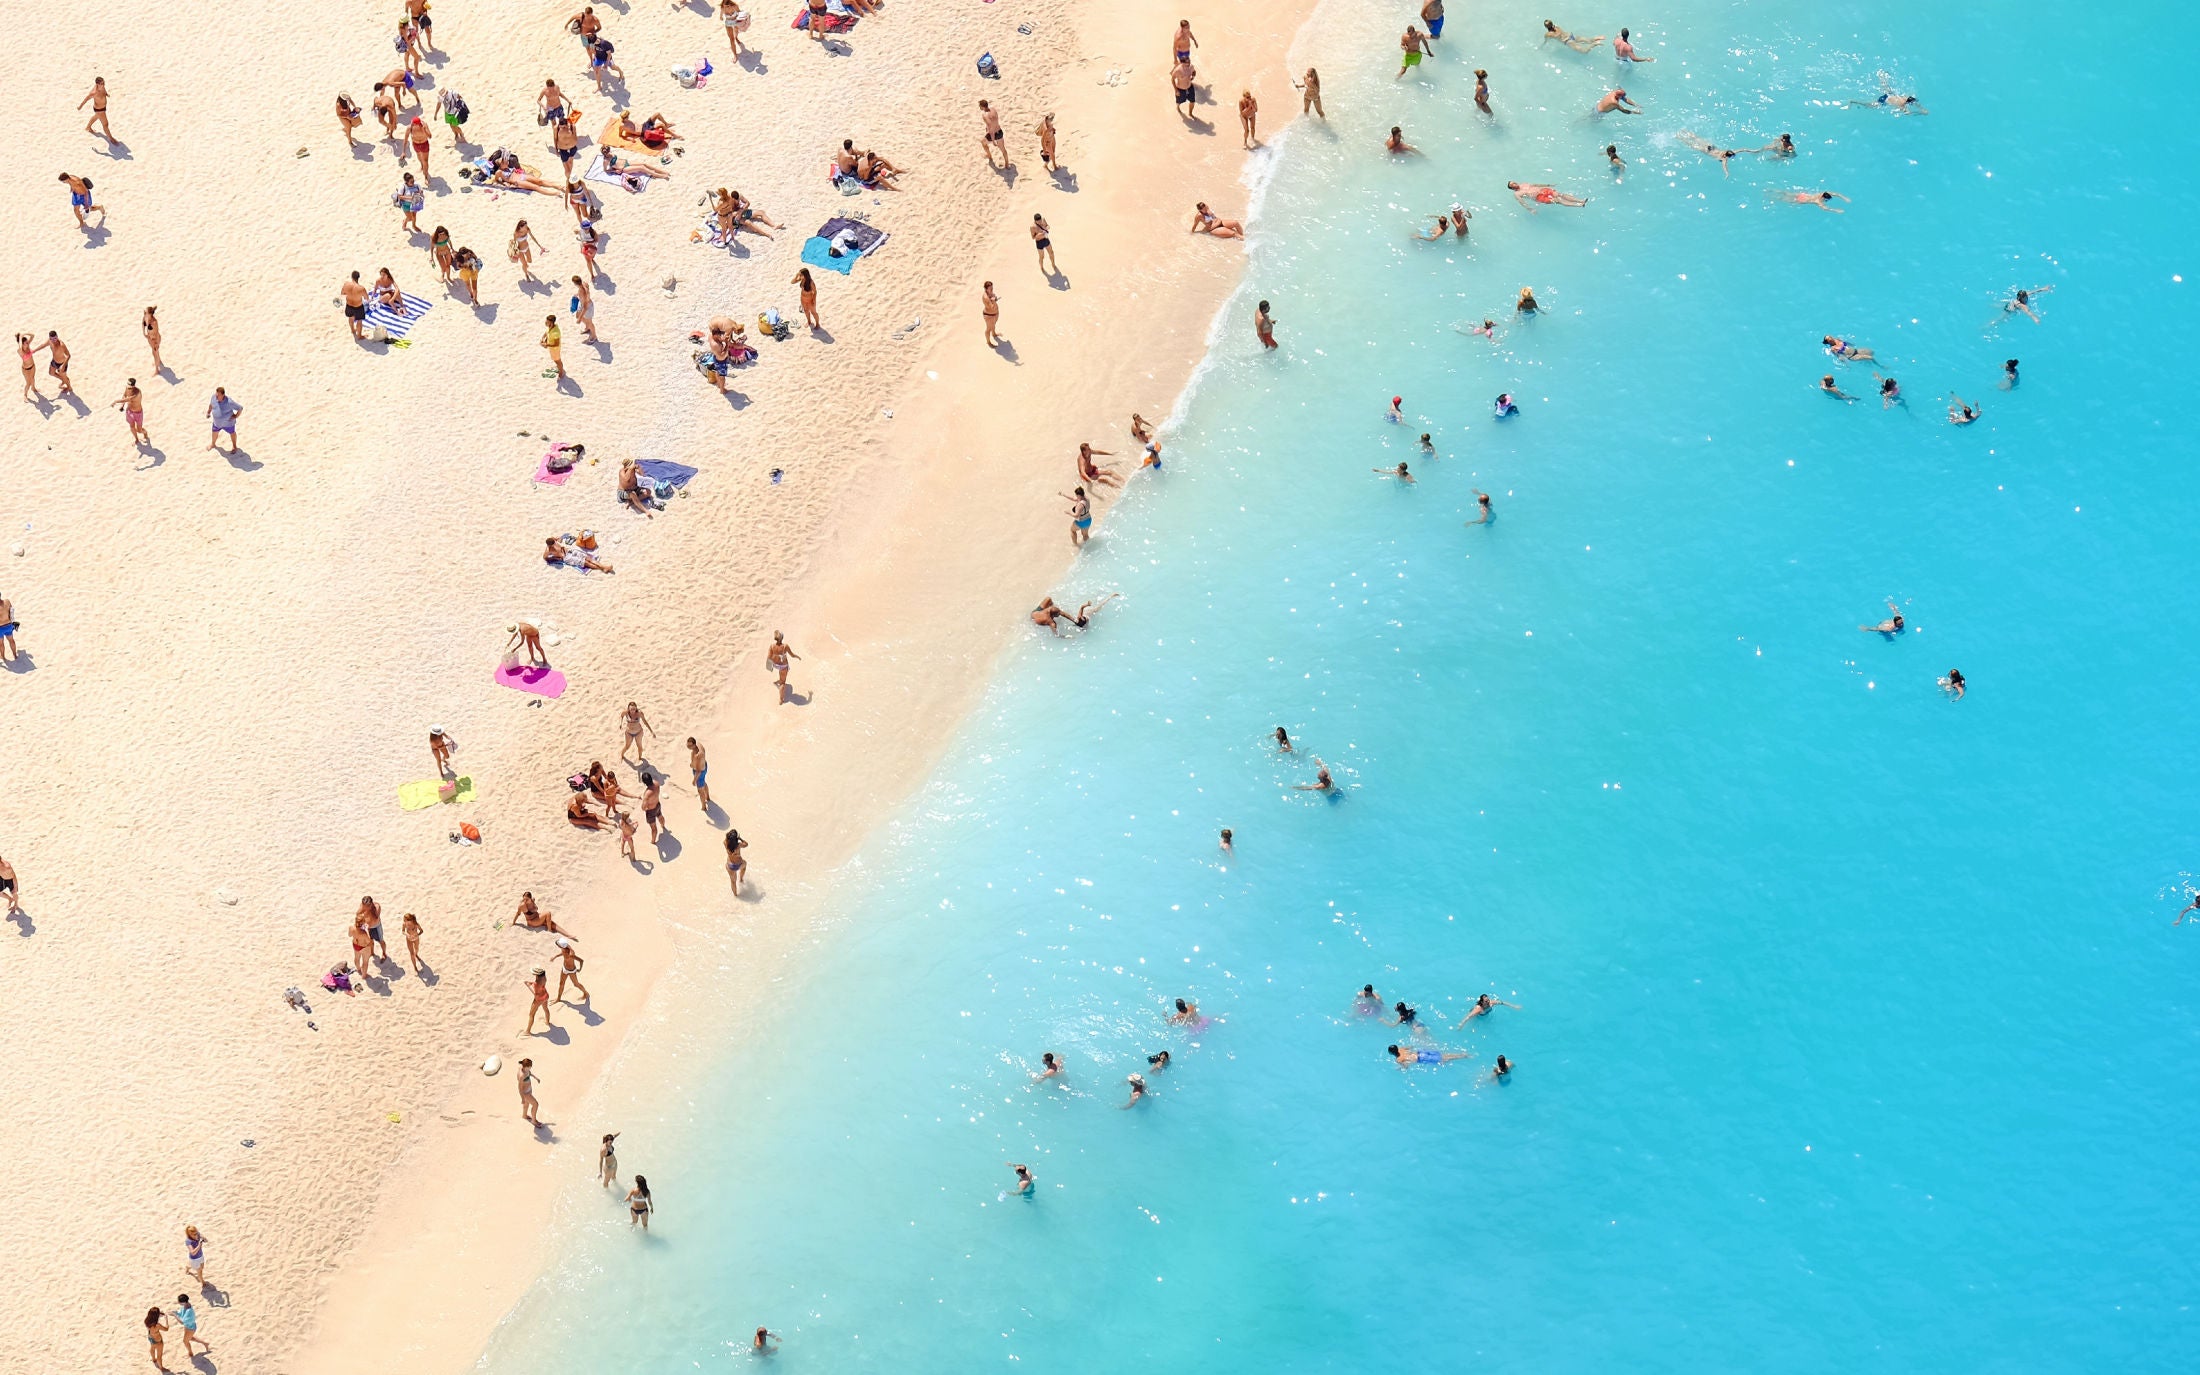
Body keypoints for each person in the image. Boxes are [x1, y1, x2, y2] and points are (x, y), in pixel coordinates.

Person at [1853, 80, 1926, 115]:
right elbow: (1908, 113)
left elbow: (1914, 102)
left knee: (1887, 89)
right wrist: (1920, 112)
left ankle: (1882, 77)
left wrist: (1922, 109)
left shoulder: (1905, 97)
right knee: (1868, 105)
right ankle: (1854, 101)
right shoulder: (1902, 105)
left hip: (1888, 95)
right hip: (1883, 101)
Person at [114, 379, 150, 447]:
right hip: (130, 411)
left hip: (138, 413)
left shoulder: (137, 393)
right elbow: (125, 395)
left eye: (129, 387)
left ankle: (145, 433)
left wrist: (116, 401)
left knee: (139, 430)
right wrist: (122, 405)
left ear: (133, 386)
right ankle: (136, 439)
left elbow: (127, 399)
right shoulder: (127, 388)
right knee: (132, 427)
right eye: (127, 385)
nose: (128, 388)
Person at [205, 387, 242, 454]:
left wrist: (236, 416)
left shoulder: (229, 402)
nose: (216, 397)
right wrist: (208, 412)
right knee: (214, 432)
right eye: (216, 394)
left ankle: (234, 446)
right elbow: (211, 405)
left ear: (223, 395)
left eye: (218, 395)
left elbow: (240, 408)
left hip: (228, 423)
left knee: (232, 433)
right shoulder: (214, 397)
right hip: (217, 423)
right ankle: (213, 444)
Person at [80, 76, 116, 141]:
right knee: (105, 124)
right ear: (97, 84)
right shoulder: (93, 93)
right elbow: (86, 99)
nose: (104, 85)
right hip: (100, 110)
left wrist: (106, 94)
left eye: (104, 83)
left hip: (102, 108)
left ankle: (88, 127)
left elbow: (104, 91)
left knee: (96, 116)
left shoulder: (102, 87)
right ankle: (111, 138)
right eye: (102, 83)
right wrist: (80, 107)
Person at [766, 632, 800, 702]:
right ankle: (781, 699)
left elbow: (769, 658)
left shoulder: (772, 646)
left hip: (776, 665)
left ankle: (777, 682)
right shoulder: (785, 646)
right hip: (783, 666)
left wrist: (771, 666)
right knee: (783, 683)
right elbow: (792, 655)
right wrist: (798, 657)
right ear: (782, 638)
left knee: (781, 675)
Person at [171, 1295, 207, 1359]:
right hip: (188, 1326)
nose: (178, 1302)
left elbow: (182, 1322)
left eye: (179, 1302)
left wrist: (174, 1315)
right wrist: (176, 1312)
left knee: (185, 1341)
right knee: (190, 1338)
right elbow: (181, 1313)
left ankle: (190, 1353)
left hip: (190, 1328)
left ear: (183, 1302)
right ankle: (205, 1343)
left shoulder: (189, 1312)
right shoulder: (186, 1305)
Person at [555, 938, 590, 1002]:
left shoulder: (571, 954)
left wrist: (579, 969)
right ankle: (558, 998)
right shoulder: (564, 947)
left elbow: (581, 961)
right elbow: (563, 953)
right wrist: (556, 956)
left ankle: (586, 993)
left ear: (561, 946)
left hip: (571, 971)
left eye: (558, 945)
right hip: (564, 968)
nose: (557, 946)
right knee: (561, 983)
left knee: (576, 984)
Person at [1508, 181, 1586, 209]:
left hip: (1543, 190)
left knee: (1560, 194)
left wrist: (1548, 185)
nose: (1515, 183)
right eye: (1512, 184)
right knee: (1558, 200)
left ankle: (1581, 200)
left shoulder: (1524, 184)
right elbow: (1522, 202)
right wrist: (1530, 209)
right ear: (1512, 188)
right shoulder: (1517, 193)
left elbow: (1536, 184)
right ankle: (1579, 205)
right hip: (1539, 197)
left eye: (1514, 182)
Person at [523, 968, 556, 1035]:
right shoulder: (544, 978)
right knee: (546, 1009)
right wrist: (531, 983)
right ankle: (547, 1022)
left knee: (531, 1014)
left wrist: (528, 986)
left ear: (537, 975)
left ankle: (527, 1031)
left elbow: (535, 994)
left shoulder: (536, 984)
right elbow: (539, 984)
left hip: (539, 999)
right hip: (545, 995)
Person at [1455, 993, 1519, 1027]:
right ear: (1482, 1002)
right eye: (1486, 1001)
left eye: (1488, 1000)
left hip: (1485, 1015)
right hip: (1477, 1017)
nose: (1488, 1002)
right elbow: (1468, 1016)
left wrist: (1514, 1006)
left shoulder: (1491, 1002)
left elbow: (1502, 1003)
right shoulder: (1478, 1009)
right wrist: (1461, 1025)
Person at [978, 99, 1008, 168]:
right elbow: (994, 121)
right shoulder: (993, 109)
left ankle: (989, 156)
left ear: (982, 107)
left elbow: (990, 128)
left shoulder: (984, 115)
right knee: (1003, 149)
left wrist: (993, 140)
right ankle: (1007, 164)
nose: (979, 107)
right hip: (1000, 132)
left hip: (993, 134)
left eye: (979, 106)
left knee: (983, 142)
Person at [1390, 1043, 1472, 1067]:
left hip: (1421, 1058)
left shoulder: (1398, 1059)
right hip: (1421, 1052)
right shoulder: (1401, 1048)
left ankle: (1462, 1056)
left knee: (1443, 1059)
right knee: (1443, 1055)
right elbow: (1410, 1046)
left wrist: (1400, 1068)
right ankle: (1461, 1054)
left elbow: (1406, 1067)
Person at [688, 737, 713, 812]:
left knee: (700, 790)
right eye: (687, 745)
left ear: (694, 745)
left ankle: (704, 807)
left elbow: (698, 771)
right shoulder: (698, 745)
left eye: (689, 746)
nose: (688, 747)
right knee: (704, 782)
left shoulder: (698, 756)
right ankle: (708, 797)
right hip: (704, 767)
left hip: (699, 773)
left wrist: (694, 780)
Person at [517, 1058, 543, 1125]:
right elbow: (519, 1088)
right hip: (526, 1093)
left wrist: (536, 1078)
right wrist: (522, 1098)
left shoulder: (524, 1068)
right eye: (529, 1067)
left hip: (529, 1090)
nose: (530, 1068)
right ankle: (534, 1121)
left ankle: (524, 1116)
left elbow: (529, 1073)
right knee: (535, 1104)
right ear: (525, 1067)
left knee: (526, 1105)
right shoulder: (522, 1076)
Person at [146, 1307, 171, 1372]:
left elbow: (152, 1317)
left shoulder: (146, 1321)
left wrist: (159, 1314)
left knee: (152, 1348)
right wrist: (166, 1320)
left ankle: (154, 1359)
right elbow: (166, 1329)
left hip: (151, 1338)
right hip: (158, 1341)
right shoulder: (157, 1325)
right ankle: (161, 1368)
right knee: (159, 1356)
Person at [1781, 189, 1848, 212]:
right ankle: (1780, 198)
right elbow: (1825, 209)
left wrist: (1844, 198)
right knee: (1786, 200)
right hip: (1803, 200)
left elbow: (1836, 194)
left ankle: (1779, 192)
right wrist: (1836, 210)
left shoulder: (1823, 193)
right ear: (1824, 198)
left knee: (1788, 194)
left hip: (1803, 195)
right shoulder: (1818, 201)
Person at [725, 829, 749, 895]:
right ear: (736, 839)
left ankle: (735, 895)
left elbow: (727, 839)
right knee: (745, 865)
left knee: (733, 882)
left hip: (729, 865)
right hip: (739, 864)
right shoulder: (738, 845)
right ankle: (741, 879)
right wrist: (740, 838)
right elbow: (746, 844)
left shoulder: (725, 843)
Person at [981, 280, 1002, 346]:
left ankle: (994, 334)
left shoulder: (990, 292)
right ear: (986, 289)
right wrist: (994, 301)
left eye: (992, 288)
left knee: (993, 325)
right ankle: (988, 342)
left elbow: (993, 299)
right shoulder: (986, 297)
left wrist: (994, 298)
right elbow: (992, 307)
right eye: (990, 289)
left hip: (994, 314)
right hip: (989, 315)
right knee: (988, 329)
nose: (992, 289)